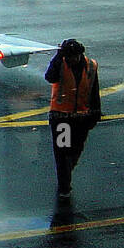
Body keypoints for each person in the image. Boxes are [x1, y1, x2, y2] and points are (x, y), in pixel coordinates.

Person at [44, 39, 101, 199]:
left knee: (75, 151)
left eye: (74, 56)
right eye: (68, 57)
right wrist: (57, 57)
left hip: (81, 118)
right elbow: (50, 77)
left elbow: (94, 90)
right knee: (62, 153)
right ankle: (64, 186)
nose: (72, 60)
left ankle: (65, 176)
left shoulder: (91, 66)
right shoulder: (59, 64)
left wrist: (95, 113)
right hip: (61, 118)